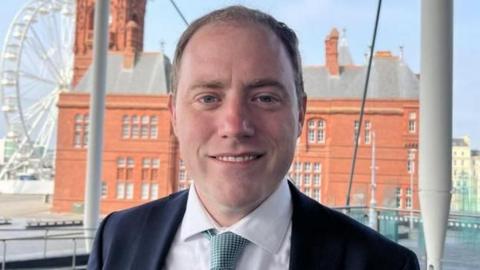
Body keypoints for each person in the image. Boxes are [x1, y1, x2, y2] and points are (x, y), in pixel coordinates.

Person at [87, 5, 419, 270]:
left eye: (264, 98)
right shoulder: (116, 238)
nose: (234, 125)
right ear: (173, 113)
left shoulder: (385, 264)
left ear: (301, 113)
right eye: (208, 98)